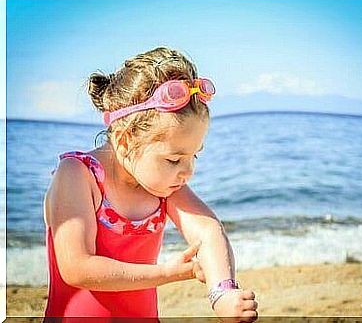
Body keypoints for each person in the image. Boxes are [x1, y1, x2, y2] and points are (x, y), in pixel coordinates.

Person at [43, 46, 258, 321]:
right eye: (173, 159)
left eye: (194, 156)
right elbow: (76, 267)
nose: (187, 171)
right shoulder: (77, 174)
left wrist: (223, 293)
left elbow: (207, 230)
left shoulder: (161, 186)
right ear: (124, 141)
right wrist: (170, 273)